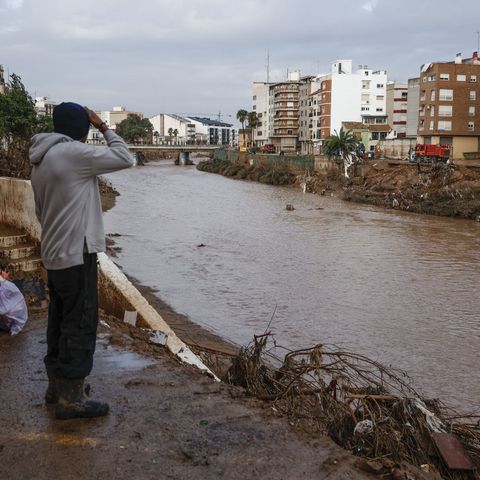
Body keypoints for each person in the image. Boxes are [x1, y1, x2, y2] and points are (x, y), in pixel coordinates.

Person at [29, 102, 134, 420]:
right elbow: (125, 158)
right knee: (81, 322)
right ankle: (72, 399)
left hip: (55, 252)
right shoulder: (73, 154)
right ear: (81, 128)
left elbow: (40, 210)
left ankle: (56, 388)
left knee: (59, 322)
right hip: (77, 253)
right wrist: (104, 126)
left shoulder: (42, 158)